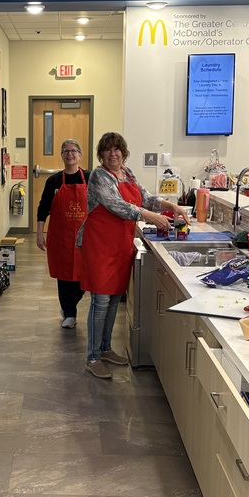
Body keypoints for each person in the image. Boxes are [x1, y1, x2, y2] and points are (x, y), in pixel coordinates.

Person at [79, 131, 190, 379]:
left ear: (123, 152)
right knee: (101, 303)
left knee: (114, 297)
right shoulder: (99, 176)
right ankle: (93, 357)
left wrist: (170, 206)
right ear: (101, 154)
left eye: (117, 149)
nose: (113, 153)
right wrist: (151, 217)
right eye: (107, 149)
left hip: (120, 247)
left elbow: (145, 198)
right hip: (99, 247)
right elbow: (119, 205)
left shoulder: (127, 173)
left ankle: (105, 348)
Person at [36, 138, 90, 329]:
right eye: (66, 151)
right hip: (61, 236)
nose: (70, 154)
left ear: (80, 155)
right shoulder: (54, 181)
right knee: (64, 274)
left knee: (84, 275)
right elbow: (43, 208)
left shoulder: (90, 178)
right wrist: (39, 233)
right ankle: (69, 313)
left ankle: (70, 304)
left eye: (74, 151)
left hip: (86, 237)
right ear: (61, 155)